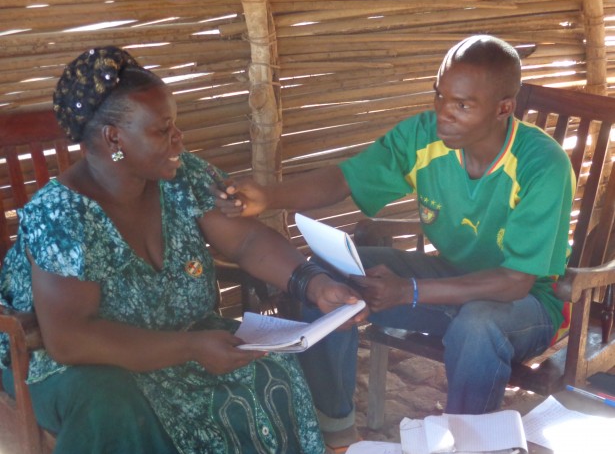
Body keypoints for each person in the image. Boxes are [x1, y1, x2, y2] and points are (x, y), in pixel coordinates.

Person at [212, 35, 575, 448]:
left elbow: (515, 281)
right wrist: (267, 196)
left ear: (503, 108)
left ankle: (469, 443)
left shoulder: (541, 164)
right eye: (439, 96)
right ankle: (333, 432)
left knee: (478, 324)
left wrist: (411, 291)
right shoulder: (423, 138)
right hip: (451, 278)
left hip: (528, 305)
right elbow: (344, 179)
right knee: (328, 274)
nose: (443, 114)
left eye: (462, 105)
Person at [0, 47, 365, 454]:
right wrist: (191, 348)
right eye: (163, 130)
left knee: (271, 368)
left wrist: (311, 283)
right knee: (112, 408)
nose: (179, 139)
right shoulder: (61, 215)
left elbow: (246, 240)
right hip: (72, 363)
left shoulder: (182, 176)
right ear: (113, 137)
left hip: (180, 338)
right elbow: (70, 339)